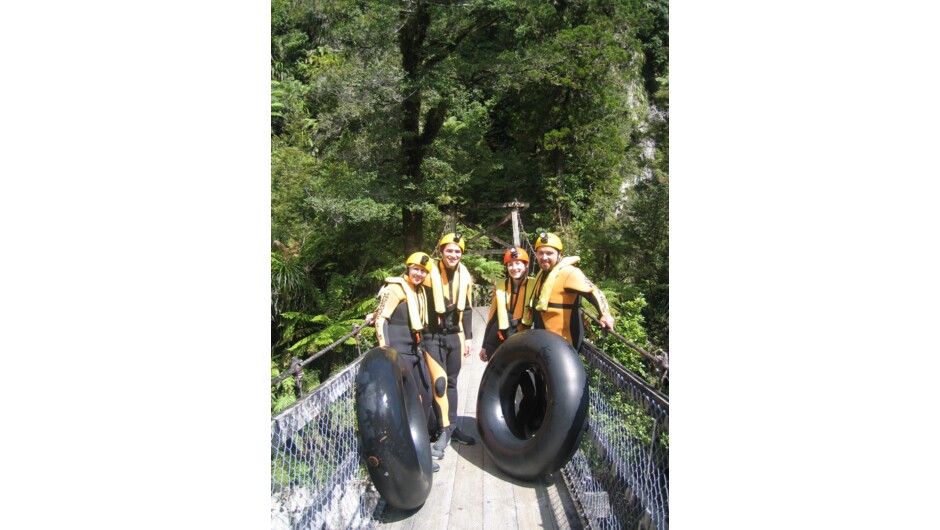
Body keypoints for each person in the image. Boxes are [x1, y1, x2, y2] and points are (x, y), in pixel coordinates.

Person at [372, 252, 442, 469]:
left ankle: (421, 445)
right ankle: (412, 452)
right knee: (410, 402)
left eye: (423, 271)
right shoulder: (396, 289)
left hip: (415, 351)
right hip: (399, 352)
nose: (419, 273)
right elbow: (381, 319)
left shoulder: (418, 290)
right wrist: (386, 351)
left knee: (427, 395)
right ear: (408, 268)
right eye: (416, 269)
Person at [424, 232, 476, 456]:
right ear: (441, 251)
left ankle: (452, 428)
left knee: (452, 382)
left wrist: (470, 337)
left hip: (454, 335)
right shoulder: (428, 272)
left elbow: (468, 308)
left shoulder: (465, 275)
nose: (453, 254)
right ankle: (442, 429)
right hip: (432, 335)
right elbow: (407, 287)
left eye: (457, 251)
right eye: (449, 250)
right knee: (439, 383)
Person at [528, 232, 615, 351]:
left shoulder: (568, 272)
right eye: (540, 253)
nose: (544, 257)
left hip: (564, 348)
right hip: (545, 345)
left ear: (559, 255)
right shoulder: (542, 274)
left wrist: (605, 314)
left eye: (549, 253)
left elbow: (594, 291)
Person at [478, 246, 535, 362]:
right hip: (498, 338)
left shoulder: (535, 285)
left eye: (518, 263)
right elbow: (492, 317)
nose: (514, 268)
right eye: (510, 264)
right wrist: (484, 346)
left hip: (522, 340)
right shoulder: (500, 286)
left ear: (526, 265)